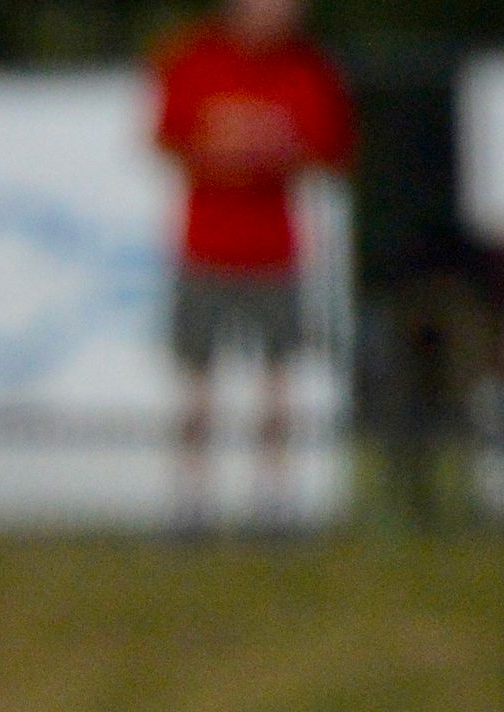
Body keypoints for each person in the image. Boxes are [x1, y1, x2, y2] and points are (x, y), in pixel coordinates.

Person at [150, 0, 355, 515]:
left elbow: (333, 147)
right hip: (206, 244)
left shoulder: (307, 68)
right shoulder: (195, 59)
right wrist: (225, 151)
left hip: (274, 250)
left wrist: (272, 151)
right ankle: (191, 497)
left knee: (278, 379)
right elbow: (166, 137)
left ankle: (275, 496)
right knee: (197, 379)